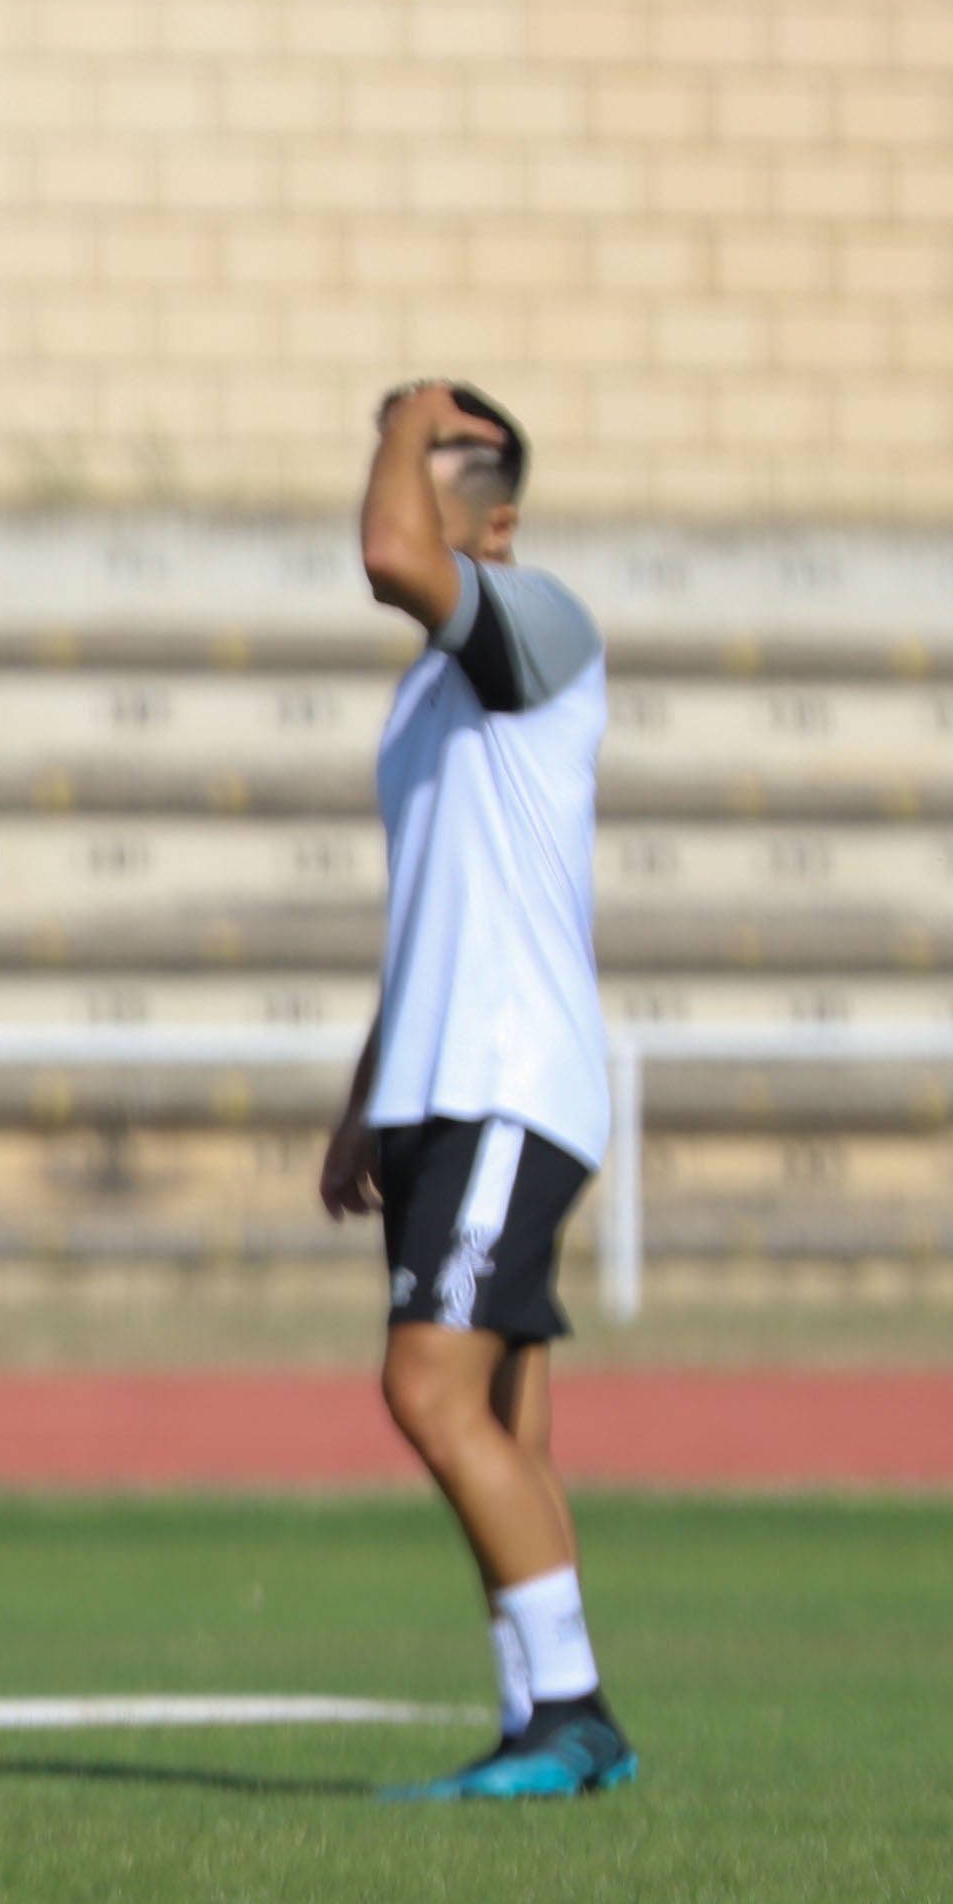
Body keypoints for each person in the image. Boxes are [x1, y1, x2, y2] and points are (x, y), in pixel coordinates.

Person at [317, 379, 638, 1803]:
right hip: (447, 1079)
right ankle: (537, 1726)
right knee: (502, 1421)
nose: (402, 498)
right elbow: (442, 903)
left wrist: (408, 412)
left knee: (425, 1387)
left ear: (496, 524)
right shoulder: (428, 695)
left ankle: (576, 1712)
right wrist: (369, 1091)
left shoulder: (540, 628)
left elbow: (392, 552)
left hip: (513, 1076)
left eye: (433, 479)